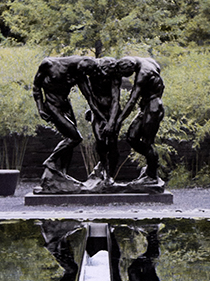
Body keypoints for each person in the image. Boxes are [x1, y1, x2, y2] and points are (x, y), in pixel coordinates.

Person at [32, 56, 98, 190]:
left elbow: (88, 95)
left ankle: (62, 174)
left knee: (69, 140)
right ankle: (50, 160)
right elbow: (36, 86)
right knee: (75, 137)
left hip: (65, 105)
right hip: (52, 106)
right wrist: (40, 108)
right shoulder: (49, 64)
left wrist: (96, 111)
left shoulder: (79, 72)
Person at [112, 56, 165, 191]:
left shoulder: (143, 74)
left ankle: (152, 175)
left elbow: (132, 100)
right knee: (131, 137)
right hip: (146, 106)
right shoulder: (149, 61)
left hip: (153, 107)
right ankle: (149, 171)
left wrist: (118, 120)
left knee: (147, 142)